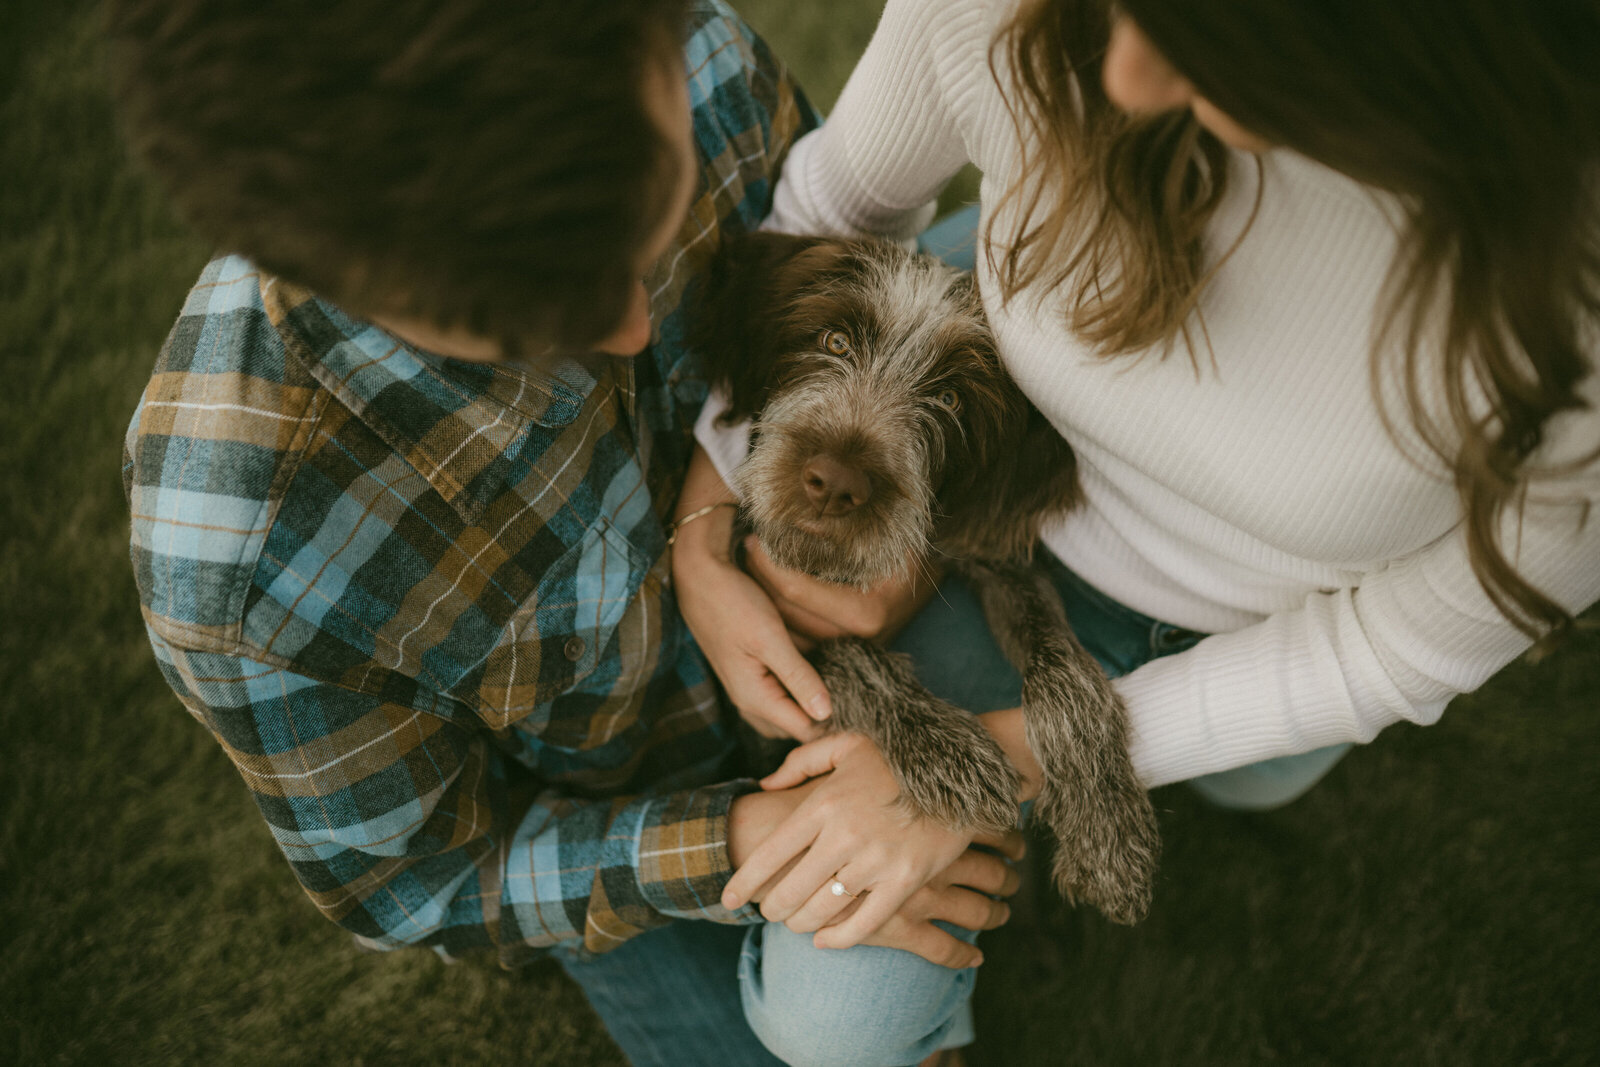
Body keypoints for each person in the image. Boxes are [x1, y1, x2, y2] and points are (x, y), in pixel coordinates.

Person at [674, 0, 1600, 1061]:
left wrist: (998, 761)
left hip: (1285, 616)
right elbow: (831, 209)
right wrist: (705, 524)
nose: (1122, 78)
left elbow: (1401, 648)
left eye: (1206, 34)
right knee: (835, 1030)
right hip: (983, 451)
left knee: (1257, 776)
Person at [112, 1, 1023, 1064]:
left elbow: (847, 291)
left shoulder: (700, 60)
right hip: (622, 810)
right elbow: (425, 876)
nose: (637, 326)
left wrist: (732, 519)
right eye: (529, 319)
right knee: (832, 1041)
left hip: (855, 625)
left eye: (658, 221)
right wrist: (742, 839)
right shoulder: (243, 565)